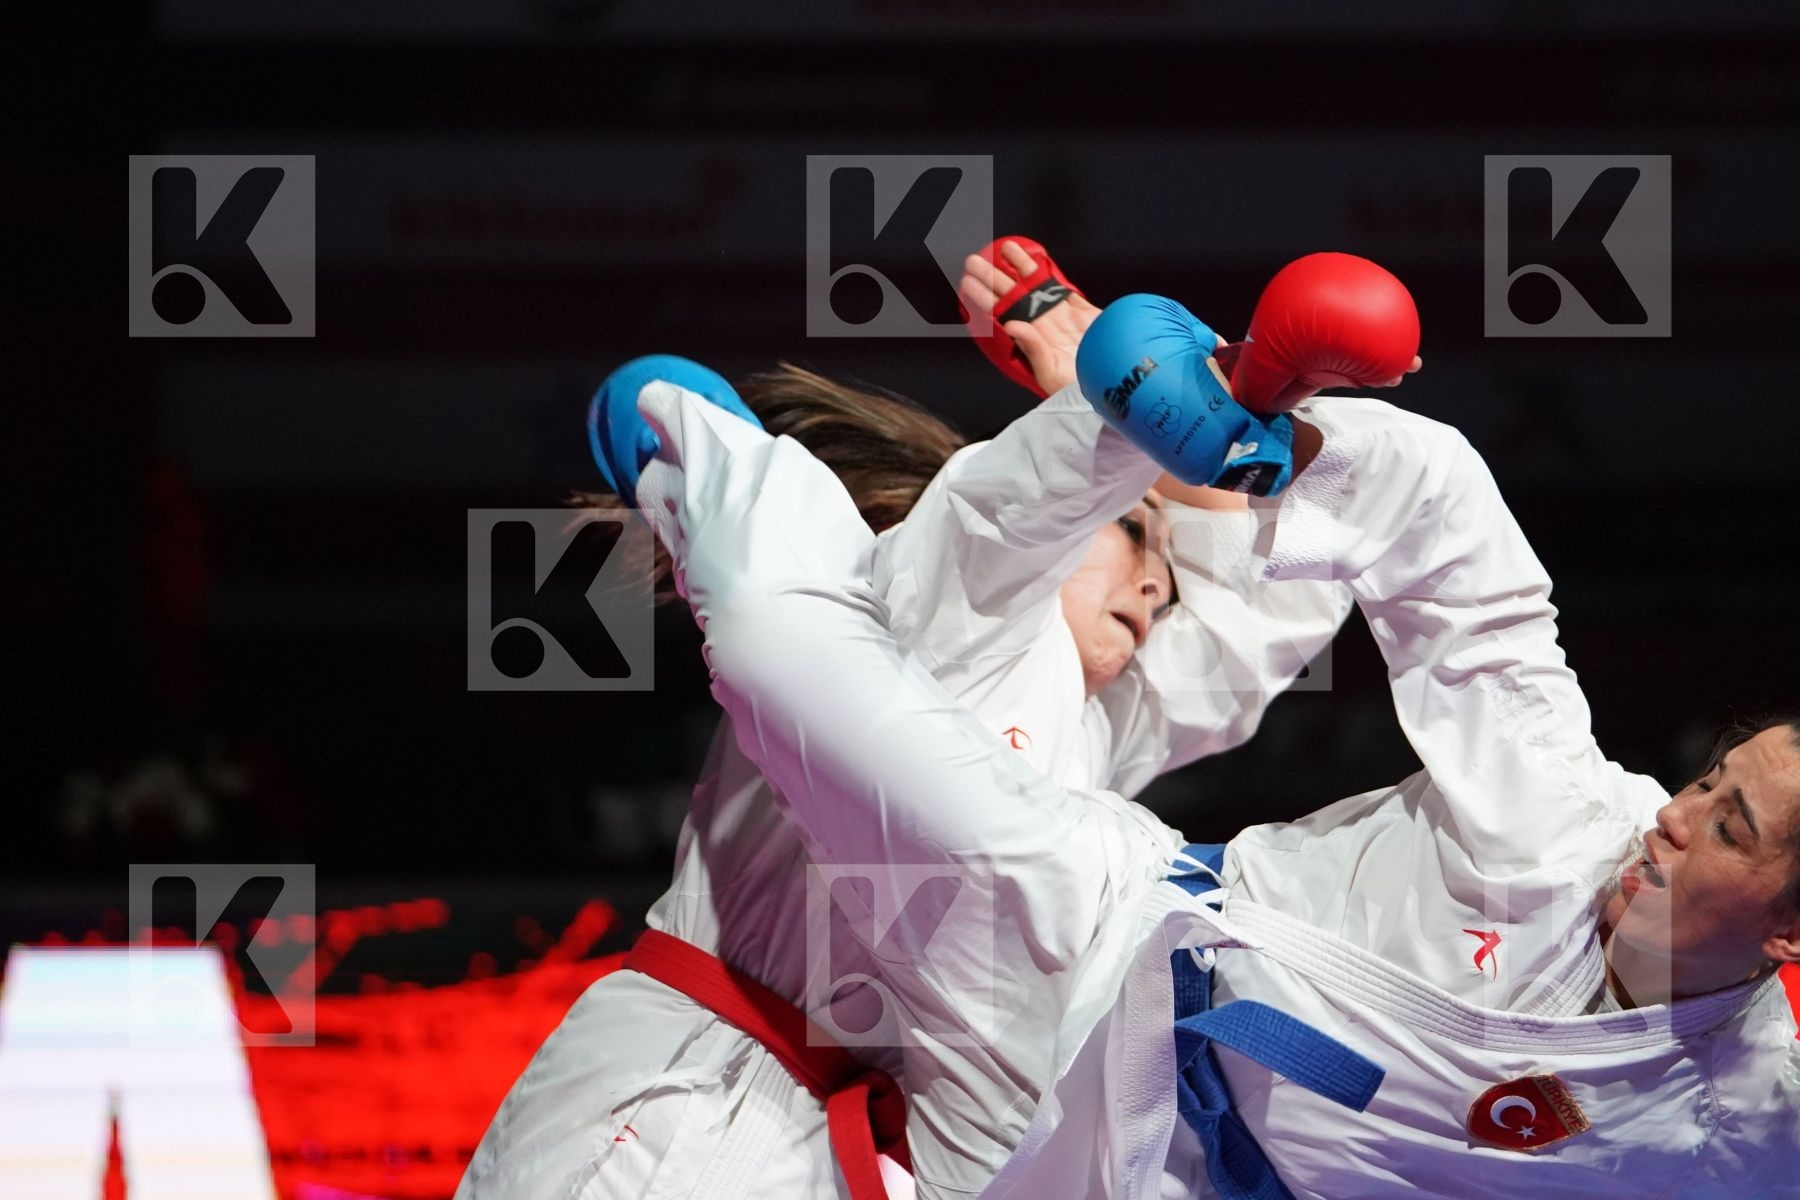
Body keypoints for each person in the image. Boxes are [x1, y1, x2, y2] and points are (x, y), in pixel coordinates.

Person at [620, 291, 1800, 1199]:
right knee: (793, 660)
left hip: (1161, 1159)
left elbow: (1228, 647)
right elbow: (1453, 555)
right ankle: (700, 457)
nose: (1673, 814)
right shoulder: (1561, 812)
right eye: (1707, 781)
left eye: (1727, 826)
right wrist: (1259, 431)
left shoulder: (1752, 1124)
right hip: (1118, 942)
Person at [457, 249, 1354, 1199]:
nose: (1155, 583)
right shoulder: (937, 588)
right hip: (682, 1102)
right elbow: (1011, 503)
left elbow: (1261, 616)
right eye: (1134, 533)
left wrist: (1152, 408)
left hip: (844, 1143)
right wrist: (1101, 366)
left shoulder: (1086, 740)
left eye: (1169, 575)